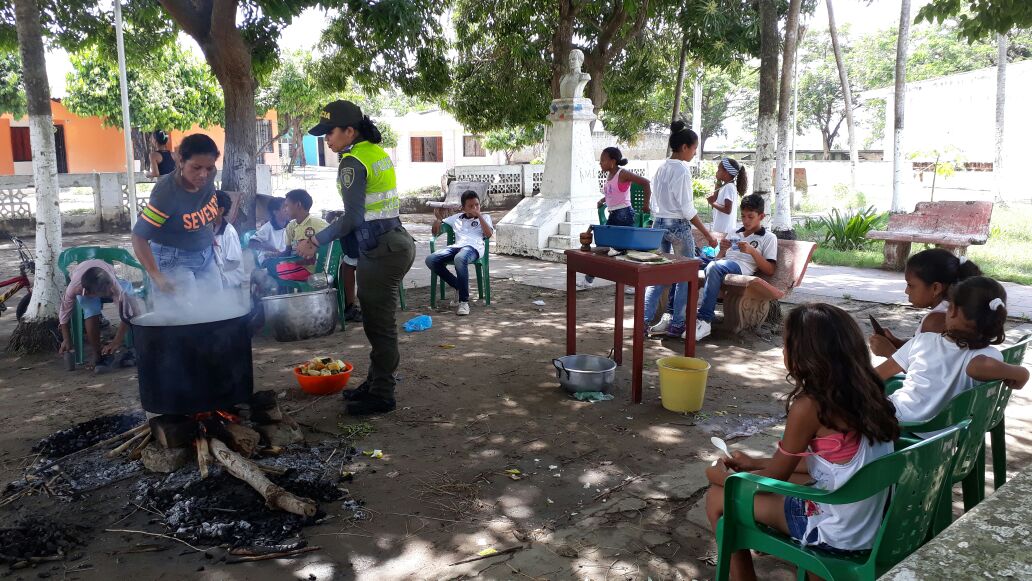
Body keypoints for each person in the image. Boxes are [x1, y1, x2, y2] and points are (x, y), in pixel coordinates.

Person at [705, 303, 900, 577]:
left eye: (786, 345)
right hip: (868, 522)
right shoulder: (872, 393)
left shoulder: (811, 407)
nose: (783, 351)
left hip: (836, 532)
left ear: (803, 356)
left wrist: (719, 476)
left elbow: (770, 480)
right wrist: (753, 463)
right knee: (778, 483)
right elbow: (832, 465)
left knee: (718, 498)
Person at [301, 100, 416, 415]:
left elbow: (352, 218)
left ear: (349, 131)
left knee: (380, 327)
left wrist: (316, 240)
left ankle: (383, 394)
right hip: (393, 242)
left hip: (381, 249)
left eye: (330, 132)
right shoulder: (376, 152)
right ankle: (375, 381)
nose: (327, 139)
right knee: (378, 323)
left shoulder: (352, 161)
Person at [876, 276, 1029, 428]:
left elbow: (875, 375)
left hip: (898, 421)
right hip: (944, 433)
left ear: (952, 311)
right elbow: (977, 367)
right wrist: (1020, 373)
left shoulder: (923, 340)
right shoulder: (989, 355)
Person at [641, 121, 718, 338]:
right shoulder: (682, 170)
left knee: (657, 277)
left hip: (659, 224)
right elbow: (687, 209)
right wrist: (706, 232)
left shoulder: (661, 167)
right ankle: (678, 322)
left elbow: (656, 201)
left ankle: (643, 324)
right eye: (694, 149)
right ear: (684, 147)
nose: (694, 153)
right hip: (678, 225)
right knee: (686, 275)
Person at [131, 133, 222, 297]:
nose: (203, 174)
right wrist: (157, 276)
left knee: (217, 311)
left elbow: (203, 205)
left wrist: (208, 233)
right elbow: (139, 236)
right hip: (172, 260)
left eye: (209, 168)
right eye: (196, 167)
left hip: (206, 256)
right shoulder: (166, 194)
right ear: (180, 161)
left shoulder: (210, 174)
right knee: (185, 318)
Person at [688, 194, 777, 341]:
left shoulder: (768, 237)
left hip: (741, 269)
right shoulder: (734, 232)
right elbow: (716, 261)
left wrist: (752, 252)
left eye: (750, 216)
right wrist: (722, 250)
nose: (746, 220)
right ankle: (678, 316)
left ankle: (704, 321)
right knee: (686, 266)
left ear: (761, 216)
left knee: (714, 266)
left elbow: (770, 269)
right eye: (743, 216)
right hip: (723, 265)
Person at [869, 249, 982, 357]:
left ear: (936, 288)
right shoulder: (953, 312)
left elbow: (925, 371)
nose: (906, 291)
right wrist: (897, 342)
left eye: (910, 285)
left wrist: (889, 352)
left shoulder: (937, 321)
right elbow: (926, 350)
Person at [582, 146, 652, 286]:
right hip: (614, 215)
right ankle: (589, 279)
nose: (600, 163)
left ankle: (633, 283)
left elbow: (645, 183)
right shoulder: (609, 175)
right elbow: (612, 193)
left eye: (603, 160)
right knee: (603, 247)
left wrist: (646, 204)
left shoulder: (622, 174)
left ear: (612, 161)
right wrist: (602, 200)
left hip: (624, 215)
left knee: (620, 250)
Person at [58, 262, 137, 374]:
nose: (107, 295)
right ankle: (97, 354)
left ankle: (135, 347)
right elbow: (64, 314)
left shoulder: (113, 285)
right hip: (85, 284)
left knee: (132, 304)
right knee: (90, 310)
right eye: (104, 294)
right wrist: (66, 339)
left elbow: (126, 314)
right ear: (90, 293)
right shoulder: (74, 288)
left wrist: (116, 341)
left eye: (108, 292)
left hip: (108, 279)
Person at [426, 190, 493, 316]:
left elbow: (488, 234)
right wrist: (438, 220)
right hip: (456, 247)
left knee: (460, 258)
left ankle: (464, 302)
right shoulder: (456, 218)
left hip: (473, 248)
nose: (475, 208)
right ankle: (458, 285)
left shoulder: (485, 217)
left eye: (477, 205)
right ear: (463, 208)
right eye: (471, 206)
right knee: (431, 259)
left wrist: (479, 215)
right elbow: (435, 232)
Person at [275, 189, 329, 282]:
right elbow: (288, 251)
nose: (285, 209)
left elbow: (334, 242)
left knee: (273, 271)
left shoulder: (319, 224)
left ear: (298, 205)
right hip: (296, 266)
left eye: (287, 205)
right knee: (272, 267)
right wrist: (275, 256)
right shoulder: (291, 226)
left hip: (313, 270)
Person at [212, 190, 246, 289]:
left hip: (230, 277)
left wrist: (215, 271)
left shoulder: (229, 232)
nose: (205, 211)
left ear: (220, 210)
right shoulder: (206, 229)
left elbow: (234, 263)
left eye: (209, 207)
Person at [706, 157, 746, 236]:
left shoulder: (729, 187)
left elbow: (728, 210)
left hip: (724, 230)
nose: (717, 172)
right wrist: (718, 181)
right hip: (721, 228)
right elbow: (715, 198)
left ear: (726, 172)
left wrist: (712, 203)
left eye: (719, 170)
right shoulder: (725, 186)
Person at [249, 197, 290, 266]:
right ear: (275, 212)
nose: (287, 210)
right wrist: (272, 249)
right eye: (284, 208)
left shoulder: (291, 226)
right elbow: (252, 243)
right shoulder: (267, 227)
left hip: (283, 258)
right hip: (269, 260)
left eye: (288, 207)